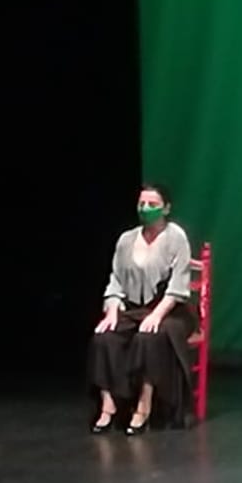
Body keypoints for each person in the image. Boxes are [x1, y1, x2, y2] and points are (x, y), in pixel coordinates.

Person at [88, 182, 197, 435]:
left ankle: (143, 405)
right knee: (103, 337)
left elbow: (178, 286)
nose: (146, 208)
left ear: (166, 208)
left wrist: (157, 314)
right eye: (142, 203)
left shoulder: (176, 237)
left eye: (152, 204)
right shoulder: (126, 240)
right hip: (134, 309)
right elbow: (115, 279)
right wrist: (112, 310)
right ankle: (108, 405)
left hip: (170, 310)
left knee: (149, 337)